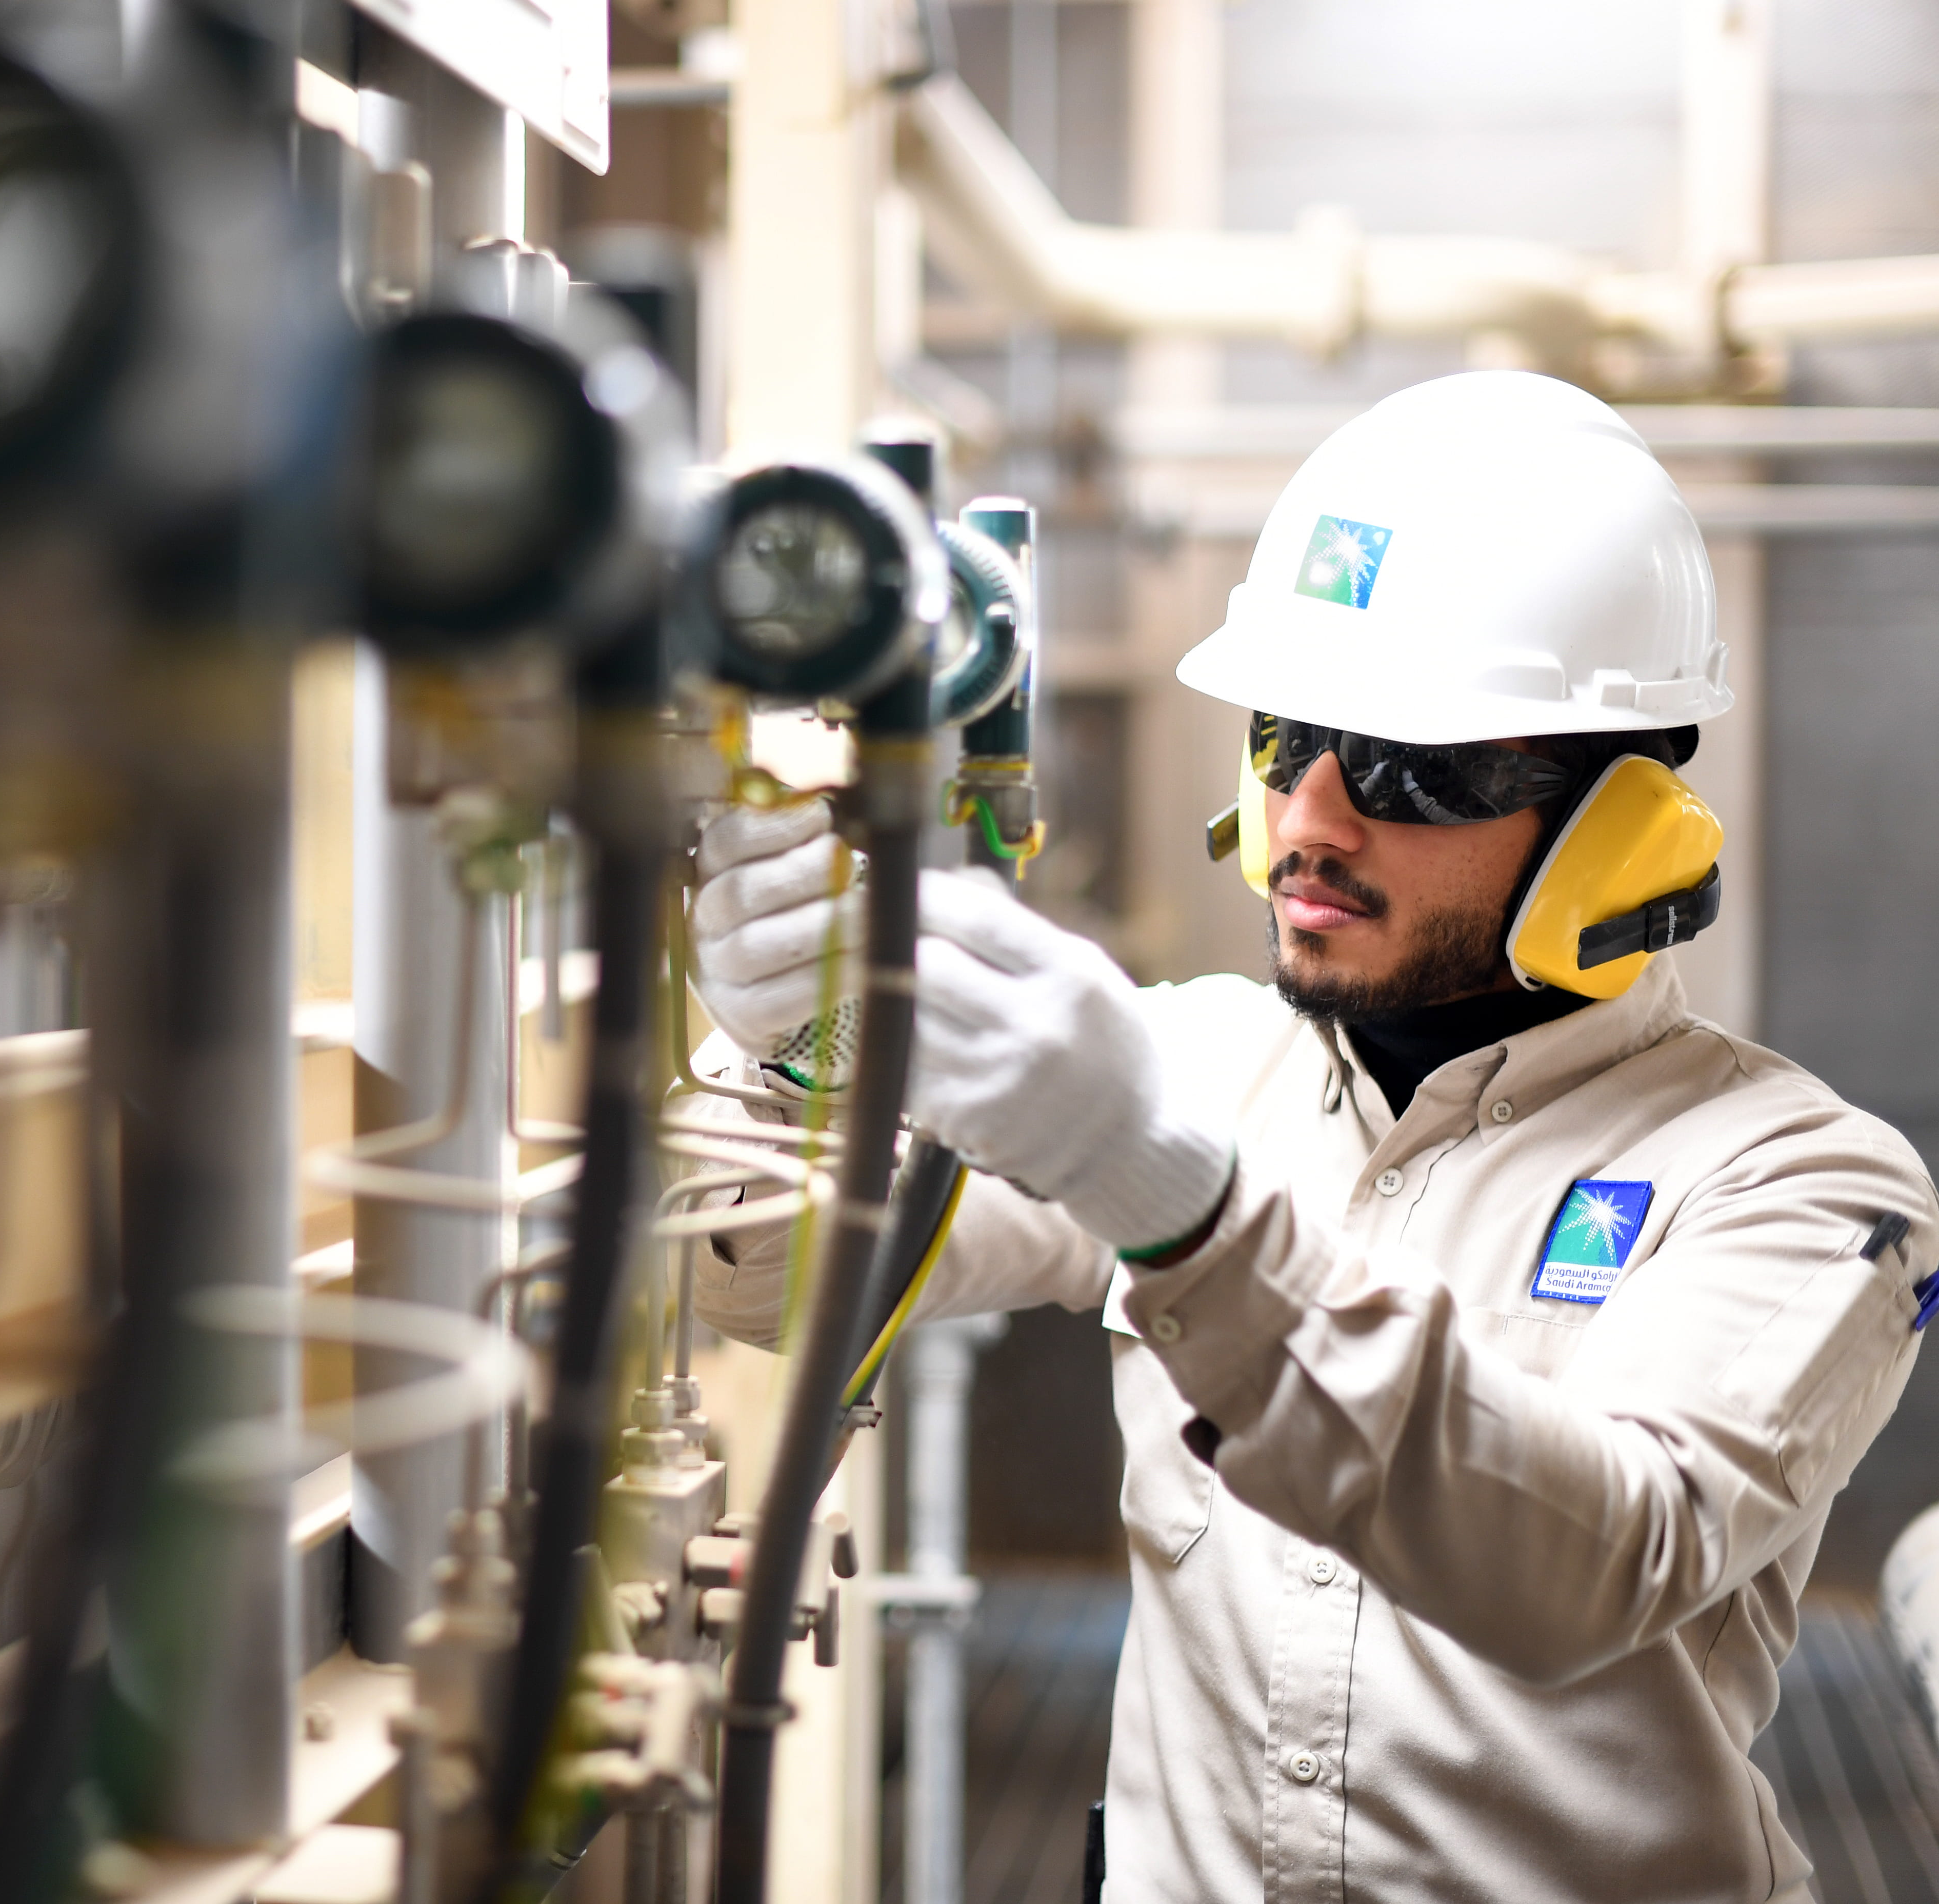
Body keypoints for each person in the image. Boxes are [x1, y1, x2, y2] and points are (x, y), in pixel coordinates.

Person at [685, 373, 1937, 1903]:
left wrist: (1183, 1209)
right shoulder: (1201, 1065)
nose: (1315, 820)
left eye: (1418, 768)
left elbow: (1599, 1558)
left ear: (1618, 823)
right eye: (1291, 739)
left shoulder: (1802, 1178)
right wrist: (786, 1043)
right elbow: (766, 1278)